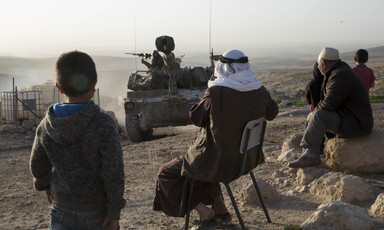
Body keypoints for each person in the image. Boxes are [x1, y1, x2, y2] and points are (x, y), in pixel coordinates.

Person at [153, 49, 278, 229]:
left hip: (220, 162)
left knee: (167, 172)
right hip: (246, 160)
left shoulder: (216, 92)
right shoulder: (258, 89)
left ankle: (204, 212)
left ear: (223, 67)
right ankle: (220, 208)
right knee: (211, 158)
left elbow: (195, 118)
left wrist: (209, 89)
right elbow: (272, 113)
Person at [30, 51, 126, 230]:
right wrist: (114, 209)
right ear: (94, 85)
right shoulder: (104, 124)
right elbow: (113, 171)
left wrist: (45, 185)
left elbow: (37, 164)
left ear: (59, 88)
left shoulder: (46, 125)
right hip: (97, 214)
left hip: (60, 210)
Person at [289, 47, 374, 168]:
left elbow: (329, 103)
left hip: (357, 124)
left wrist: (315, 112)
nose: (318, 67)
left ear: (323, 64)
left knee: (319, 115)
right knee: (315, 114)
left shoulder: (340, 75)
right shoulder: (338, 71)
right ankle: (308, 153)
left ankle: (311, 155)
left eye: (318, 65)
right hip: (350, 118)